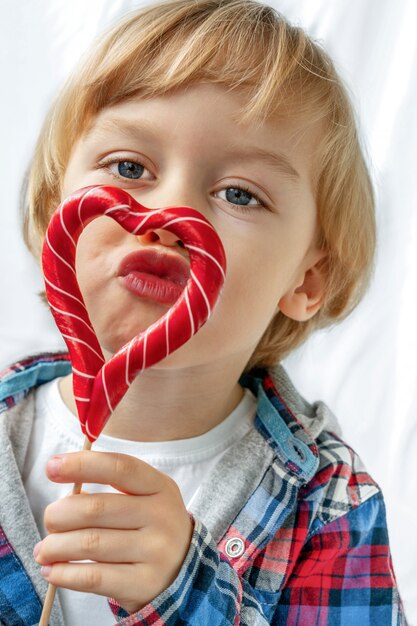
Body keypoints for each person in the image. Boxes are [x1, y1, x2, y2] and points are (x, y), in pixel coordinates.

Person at [0, 0, 407, 624]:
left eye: (238, 194)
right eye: (130, 167)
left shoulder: (328, 509)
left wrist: (185, 593)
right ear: (60, 208)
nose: (170, 215)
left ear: (308, 279)